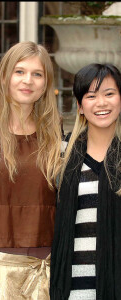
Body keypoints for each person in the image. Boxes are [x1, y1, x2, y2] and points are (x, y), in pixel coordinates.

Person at [0, 41, 62, 299]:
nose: (27, 80)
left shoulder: (54, 132)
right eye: (19, 71)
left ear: (46, 83)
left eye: (37, 74)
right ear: (5, 76)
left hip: (45, 271)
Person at [50, 63, 121, 299]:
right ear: (80, 106)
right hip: (73, 290)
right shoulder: (62, 154)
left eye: (109, 93)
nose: (101, 103)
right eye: (91, 96)